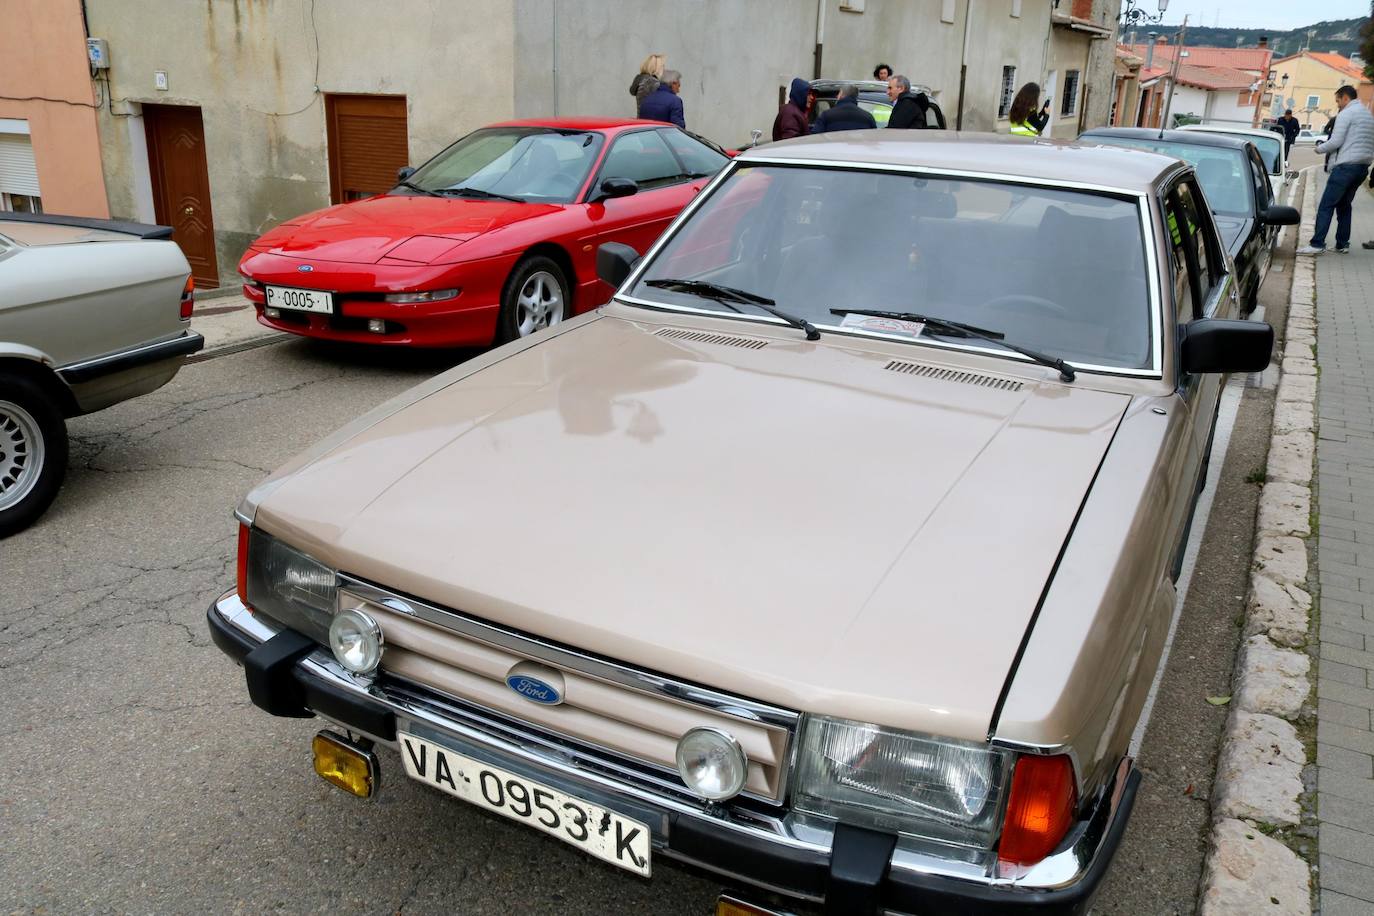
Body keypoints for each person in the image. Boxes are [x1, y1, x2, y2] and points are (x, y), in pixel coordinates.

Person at [1298, 86, 1374, 255]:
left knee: (1326, 205)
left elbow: (1336, 141)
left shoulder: (1346, 114)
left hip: (1346, 166)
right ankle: (1342, 244)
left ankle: (1317, 244)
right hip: (1362, 167)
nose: (1338, 105)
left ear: (1345, 98)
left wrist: (1319, 148)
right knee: (1345, 206)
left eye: (1338, 101)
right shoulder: (1367, 115)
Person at [809, 83, 877, 133]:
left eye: (838, 94)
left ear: (841, 94)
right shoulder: (868, 117)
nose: (836, 96)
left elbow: (815, 137)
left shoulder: (826, 116)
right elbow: (874, 140)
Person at [772, 77, 812, 142]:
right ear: (800, 94)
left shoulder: (794, 111)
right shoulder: (790, 114)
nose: (811, 97)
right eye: (808, 94)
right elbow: (790, 142)